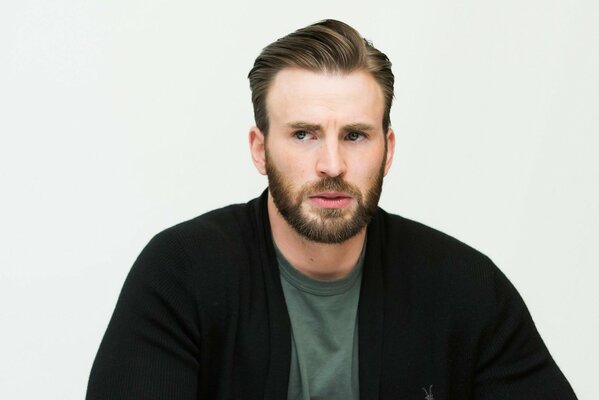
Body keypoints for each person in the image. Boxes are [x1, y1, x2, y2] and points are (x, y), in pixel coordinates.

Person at [86, 19, 577, 399]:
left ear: (388, 149)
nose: (332, 164)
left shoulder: (467, 287)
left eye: (355, 136)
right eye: (304, 134)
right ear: (260, 149)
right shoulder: (180, 273)